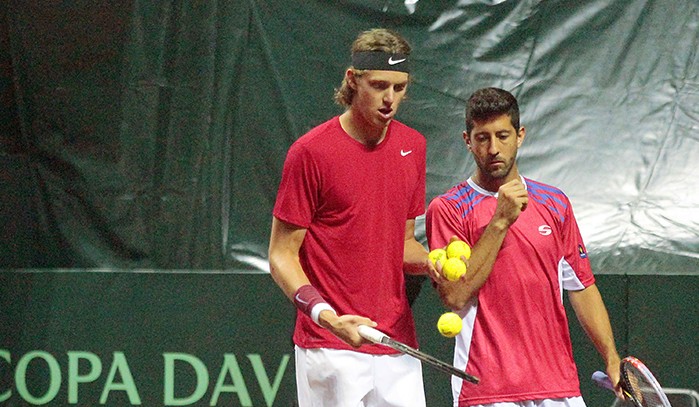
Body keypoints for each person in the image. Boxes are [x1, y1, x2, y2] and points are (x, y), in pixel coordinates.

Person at [268, 28, 437, 407]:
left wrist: (433, 263)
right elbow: (281, 255)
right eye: (379, 85)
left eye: (400, 87)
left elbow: (403, 244)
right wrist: (326, 315)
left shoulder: (414, 146)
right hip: (331, 344)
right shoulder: (310, 152)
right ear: (352, 79)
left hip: (397, 344)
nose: (390, 99)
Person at [425, 87, 622, 407]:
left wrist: (611, 358)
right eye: (482, 138)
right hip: (487, 388)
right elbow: (455, 296)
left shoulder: (554, 203)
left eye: (503, 135)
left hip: (558, 385)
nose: (493, 148)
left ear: (520, 136)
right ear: (467, 140)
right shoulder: (448, 209)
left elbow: (582, 288)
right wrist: (500, 220)